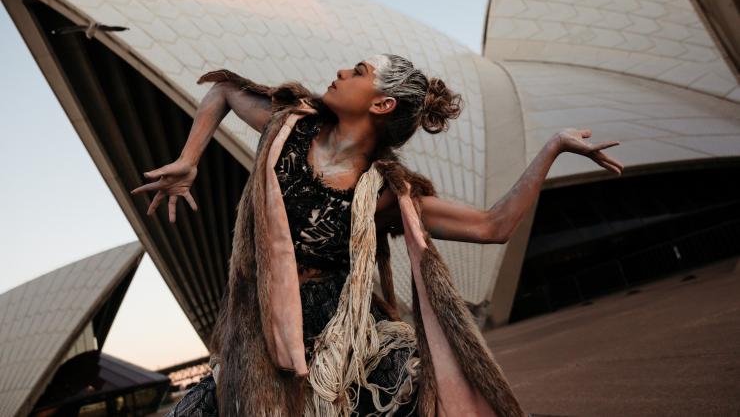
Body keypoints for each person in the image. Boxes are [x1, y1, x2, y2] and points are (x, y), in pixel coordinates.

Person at [131, 54, 624, 416]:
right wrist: (189, 160)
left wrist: (552, 149)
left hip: (344, 346)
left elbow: (493, 226)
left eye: (360, 71)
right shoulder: (288, 128)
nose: (343, 72)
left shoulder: (386, 194)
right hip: (256, 332)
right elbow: (221, 91)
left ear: (383, 103)